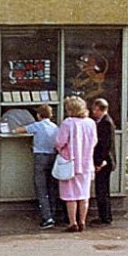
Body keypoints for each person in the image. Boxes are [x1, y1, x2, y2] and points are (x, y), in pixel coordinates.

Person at [14, 104, 63, 228]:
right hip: (53, 156)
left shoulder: (37, 125)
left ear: (38, 115)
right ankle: (53, 213)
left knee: (41, 188)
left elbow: (18, 130)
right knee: (52, 187)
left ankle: (47, 218)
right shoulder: (55, 127)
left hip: (40, 157)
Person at [54, 96, 97, 233]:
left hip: (70, 162)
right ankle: (82, 221)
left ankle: (72, 222)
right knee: (84, 195)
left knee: (70, 195)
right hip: (86, 163)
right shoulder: (90, 123)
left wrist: (60, 150)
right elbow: (94, 141)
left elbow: (60, 141)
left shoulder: (68, 123)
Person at [90, 97, 116, 226]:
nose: (93, 112)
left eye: (95, 109)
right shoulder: (103, 121)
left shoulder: (106, 123)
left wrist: (99, 162)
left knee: (102, 190)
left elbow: (105, 145)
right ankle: (104, 216)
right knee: (102, 189)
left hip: (104, 162)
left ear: (100, 109)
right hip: (105, 160)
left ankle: (105, 217)